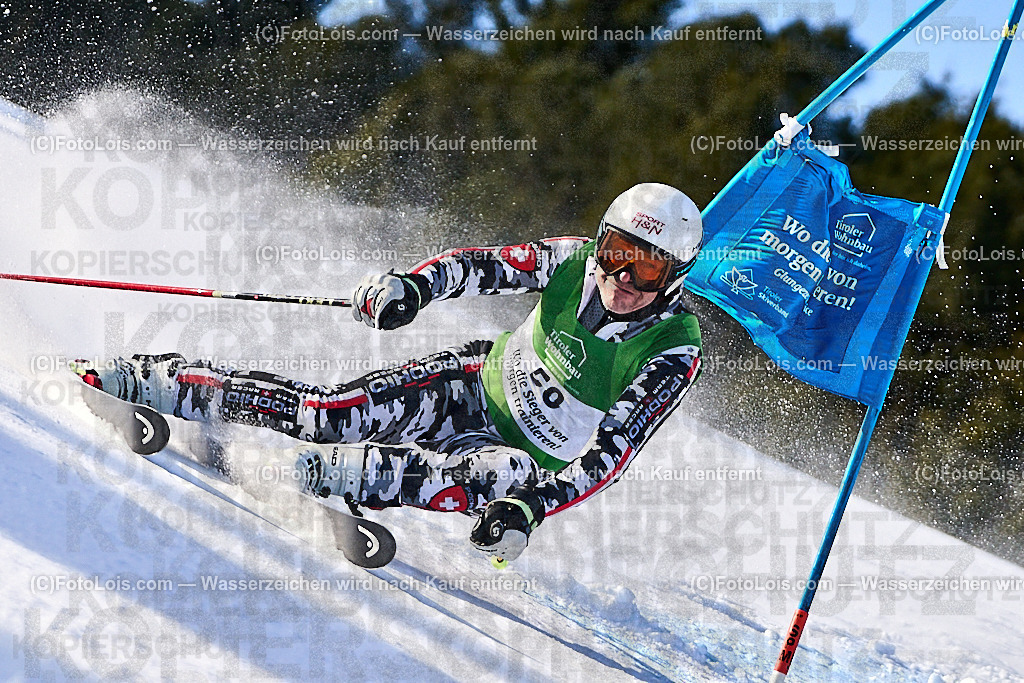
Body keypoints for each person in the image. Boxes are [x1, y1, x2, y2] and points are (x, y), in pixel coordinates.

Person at [73, 183, 705, 562]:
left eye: (646, 268)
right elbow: (479, 266)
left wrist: (531, 510)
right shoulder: (572, 261)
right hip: (468, 386)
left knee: (502, 477)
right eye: (616, 252)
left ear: (675, 276)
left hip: (518, 455)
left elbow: (608, 455)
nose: (622, 277)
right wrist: (411, 288)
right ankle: (166, 383)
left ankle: (334, 477)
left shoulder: (673, 352)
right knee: (328, 414)